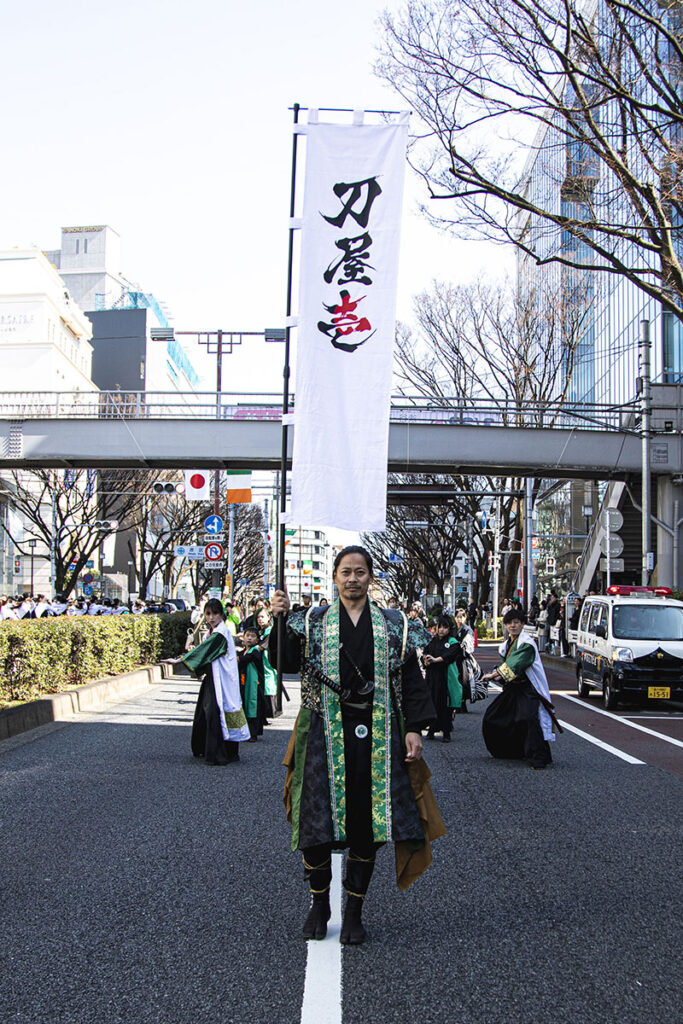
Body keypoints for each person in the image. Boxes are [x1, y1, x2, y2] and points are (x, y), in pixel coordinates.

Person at [270, 545, 445, 946]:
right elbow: (286, 661)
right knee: (314, 819)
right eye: (346, 572)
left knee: (369, 822)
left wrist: (414, 727)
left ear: (371, 578)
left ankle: (354, 909)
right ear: (334, 578)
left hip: (377, 731)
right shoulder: (312, 621)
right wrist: (280, 620)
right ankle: (318, 902)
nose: (353, 579)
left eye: (360, 572)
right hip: (321, 730)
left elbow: (410, 679)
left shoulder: (394, 625)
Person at [169, 598, 250, 765]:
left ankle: (217, 753)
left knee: (214, 713)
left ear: (221, 614)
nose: (211, 617)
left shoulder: (219, 634)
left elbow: (203, 652)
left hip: (220, 680)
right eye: (208, 614)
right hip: (216, 677)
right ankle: (215, 750)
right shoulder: (216, 632)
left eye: (215, 613)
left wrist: (180, 661)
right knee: (208, 712)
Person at [480, 608, 558, 769]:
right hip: (512, 687)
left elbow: (516, 663)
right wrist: (497, 674)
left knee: (529, 719)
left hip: (528, 688)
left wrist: (494, 675)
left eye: (516, 622)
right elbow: (506, 665)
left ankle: (538, 758)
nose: (513, 626)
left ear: (522, 624)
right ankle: (507, 751)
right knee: (493, 716)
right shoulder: (506, 645)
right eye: (509, 623)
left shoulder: (527, 644)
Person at [422, 615, 461, 742]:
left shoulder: (452, 642)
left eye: (445, 627)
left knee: (446, 705)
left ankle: (446, 733)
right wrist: (426, 661)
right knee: (432, 703)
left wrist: (436, 660)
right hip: (433, 677)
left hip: (446, 678)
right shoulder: (431, 641)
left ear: (449, 629)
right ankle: (431, 730)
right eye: (440, 627)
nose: (442, 630)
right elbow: (425, 653)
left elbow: (450, 655)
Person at [238, 625, 268, 740]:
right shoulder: (243, 652)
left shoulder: (255, 651)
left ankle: (253, 733)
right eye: (247, 636)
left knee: (254, 707)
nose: (249, 638)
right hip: (243, 684)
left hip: (255, 685)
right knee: (245, 706)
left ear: (257, 639)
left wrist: (237, 658)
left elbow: (247, 658)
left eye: (253, 636)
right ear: (243, 637)